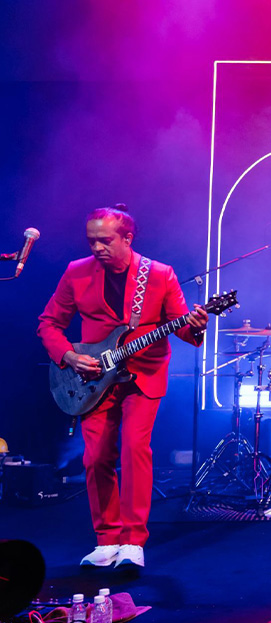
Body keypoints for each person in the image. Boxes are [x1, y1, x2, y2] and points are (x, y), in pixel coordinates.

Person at [37, 205, 208, 570]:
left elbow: (184, 330)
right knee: (96, 457)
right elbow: (49, 323)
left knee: (134, 448)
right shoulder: (76, 272)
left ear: (127, 238)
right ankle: (106, 539)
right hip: (93, 377)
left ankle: (133, 541)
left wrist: (196, 325)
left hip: (143, 374)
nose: (97, 248)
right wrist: (68, 356)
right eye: (91, 241)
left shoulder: (159, 274)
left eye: (105, 240)